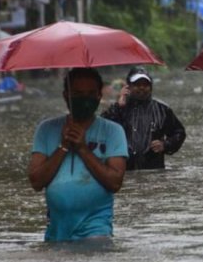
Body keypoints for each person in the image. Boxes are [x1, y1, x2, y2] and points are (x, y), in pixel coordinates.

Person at [28, 68, 128, 242]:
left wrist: (82, 148)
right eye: (78, 93)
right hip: (56, 230)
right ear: (66, 95)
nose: (85, 99)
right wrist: (63, 146)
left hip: (96, 228)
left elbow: (115, 182)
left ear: (99, 95)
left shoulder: (113, 131)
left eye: (91, 93)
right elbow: (36, 181)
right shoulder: (46, 129)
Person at [102, 66, 186, 170]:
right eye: (137, 84)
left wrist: (166, 144)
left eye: (145, 85)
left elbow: (179, 132)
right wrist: (118, 106)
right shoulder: (119, 108)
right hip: (123, 169)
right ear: (128, 87)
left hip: (153, 170)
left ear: (151, 87)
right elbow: (101, 128)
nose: (142, 87)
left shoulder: (162, 109)